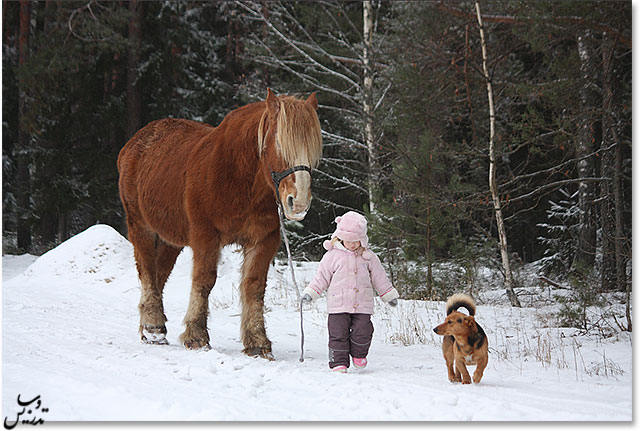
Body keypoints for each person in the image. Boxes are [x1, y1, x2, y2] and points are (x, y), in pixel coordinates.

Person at [302, 211, 399, 373]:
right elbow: (321, 278)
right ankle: (338, 362)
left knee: (364, 330)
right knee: (338, 334)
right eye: (349, 241)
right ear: (340, 237)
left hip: (363, 303)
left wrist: (388, 294)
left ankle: (359, 354)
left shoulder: (369, 257)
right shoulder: (332, 256)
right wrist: (311, 293)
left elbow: (379, 278)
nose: (353, 244)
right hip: (338, 304)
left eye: (357, 241)